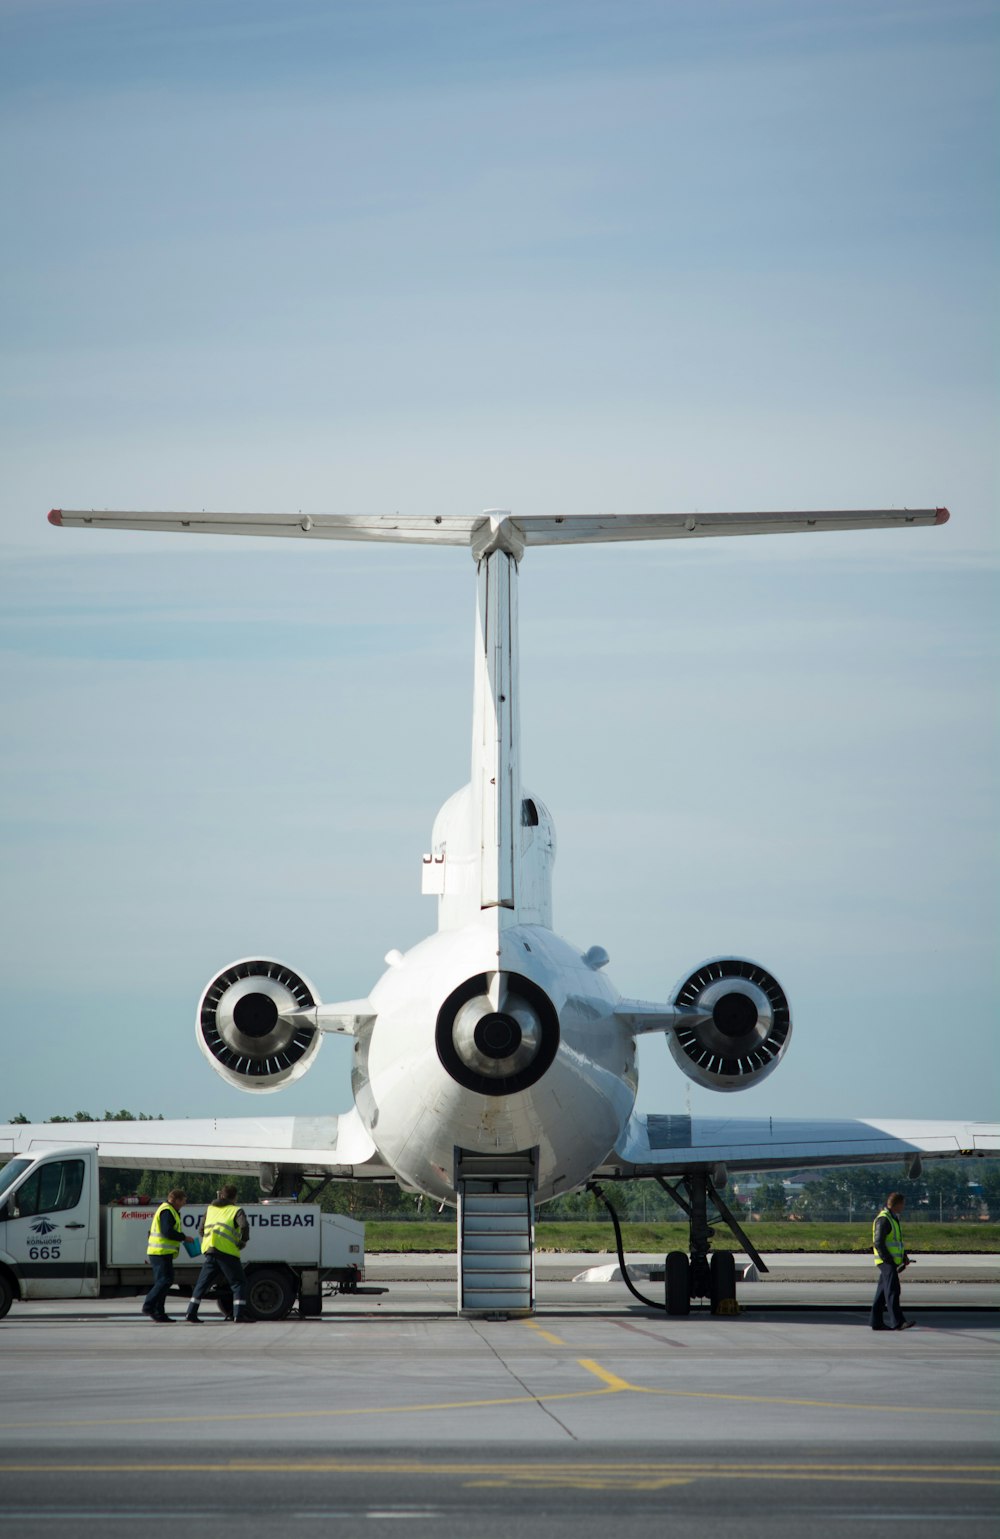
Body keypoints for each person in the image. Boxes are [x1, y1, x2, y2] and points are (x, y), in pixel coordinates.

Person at [185, 1183, 254, 1324]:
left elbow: (201, 1230)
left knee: (202, 1284)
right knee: (238, 1283)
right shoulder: (236, 1210)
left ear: (221, 1195)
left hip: (210, 1251)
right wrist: (243, 1241)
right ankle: (239, 1315)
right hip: (227, 1253)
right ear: (235, 1197)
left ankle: (191, 1312)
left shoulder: (210, 1209)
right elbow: (244, 1226)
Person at [871, 1191, 915, 1331]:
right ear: (897, 1204)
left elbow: (895, 1241)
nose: (903, 1207)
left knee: (882, 1292)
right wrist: (889, 1260)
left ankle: (876, 1322)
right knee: (893, 1291)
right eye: (902, 1204)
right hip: (885, 1261)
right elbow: (878, 1242)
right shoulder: (884, 1219)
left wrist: (903, 1257)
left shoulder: (892, 1218)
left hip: (889, 1261)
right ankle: (898, 1322)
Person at [142, 1187, 188, 1323]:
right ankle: (148, 1306)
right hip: (160, 1252)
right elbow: (167, 1232)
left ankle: (159, 1313)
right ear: (176, 1200)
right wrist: (184, 1237)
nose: (184, 1204)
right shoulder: (167, 1211)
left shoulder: (169, 1210)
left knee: (163, 1282)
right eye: (183, 1201)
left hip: (161, 1252)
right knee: (165, 1280)